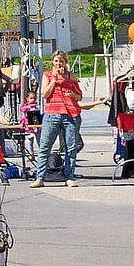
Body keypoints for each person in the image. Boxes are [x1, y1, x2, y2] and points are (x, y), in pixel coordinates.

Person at [33, 54, 84, 184]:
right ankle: (40, 178)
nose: (59, 64)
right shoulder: (47, 75)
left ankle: (69, 177)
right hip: (52, 114)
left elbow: (80, 96)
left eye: (61, 61)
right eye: (56, 61)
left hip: (70, 114)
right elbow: (45, 94)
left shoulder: (71, 76)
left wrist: (73, 94)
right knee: (45, 146)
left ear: (65, 62)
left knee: (71, 148)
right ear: (53, 62)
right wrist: (54, 81)